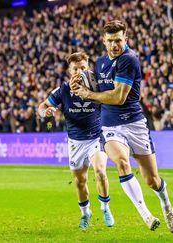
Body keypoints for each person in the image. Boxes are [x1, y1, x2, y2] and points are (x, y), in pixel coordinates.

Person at [70, 20, 173, 233]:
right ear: (104, 40)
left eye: (118, 40)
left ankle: (166, 205)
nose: (114, 45)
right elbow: (97, 89)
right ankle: (146, 215)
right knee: (121, 162)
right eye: (110, 41)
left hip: (135, 124)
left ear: (125, 39)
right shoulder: (100, 63)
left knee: (152, 180)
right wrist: (80, 83)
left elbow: (119, 97)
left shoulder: (129, 60)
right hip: (110, 126)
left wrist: (89, 94)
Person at [38, 52, 114, 229]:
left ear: (88, 68)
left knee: (101, 172)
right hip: (75, 142)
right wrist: (45, 112)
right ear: (69, 71)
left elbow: (113, 97)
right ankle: (85, 213)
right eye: (75, 69)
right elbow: (42, 107)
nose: (79, 71)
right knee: (80, 182)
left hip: (96, 137)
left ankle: (105, 208)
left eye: (82, 68)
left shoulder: (97, 86)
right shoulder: (63, 90)